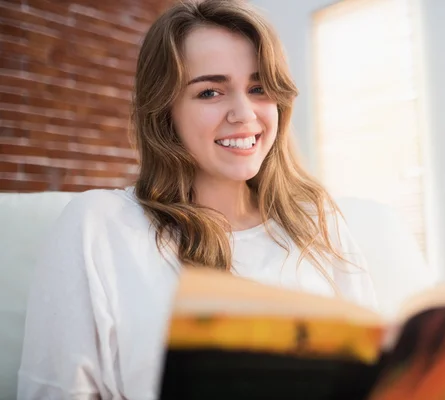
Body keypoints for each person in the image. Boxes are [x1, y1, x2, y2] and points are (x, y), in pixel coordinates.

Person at [17, 1, 377, 398]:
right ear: (165, 111)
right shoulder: (98, 226)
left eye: (258, 88)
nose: (244, 114)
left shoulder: (317, 220)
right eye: (210, 92)